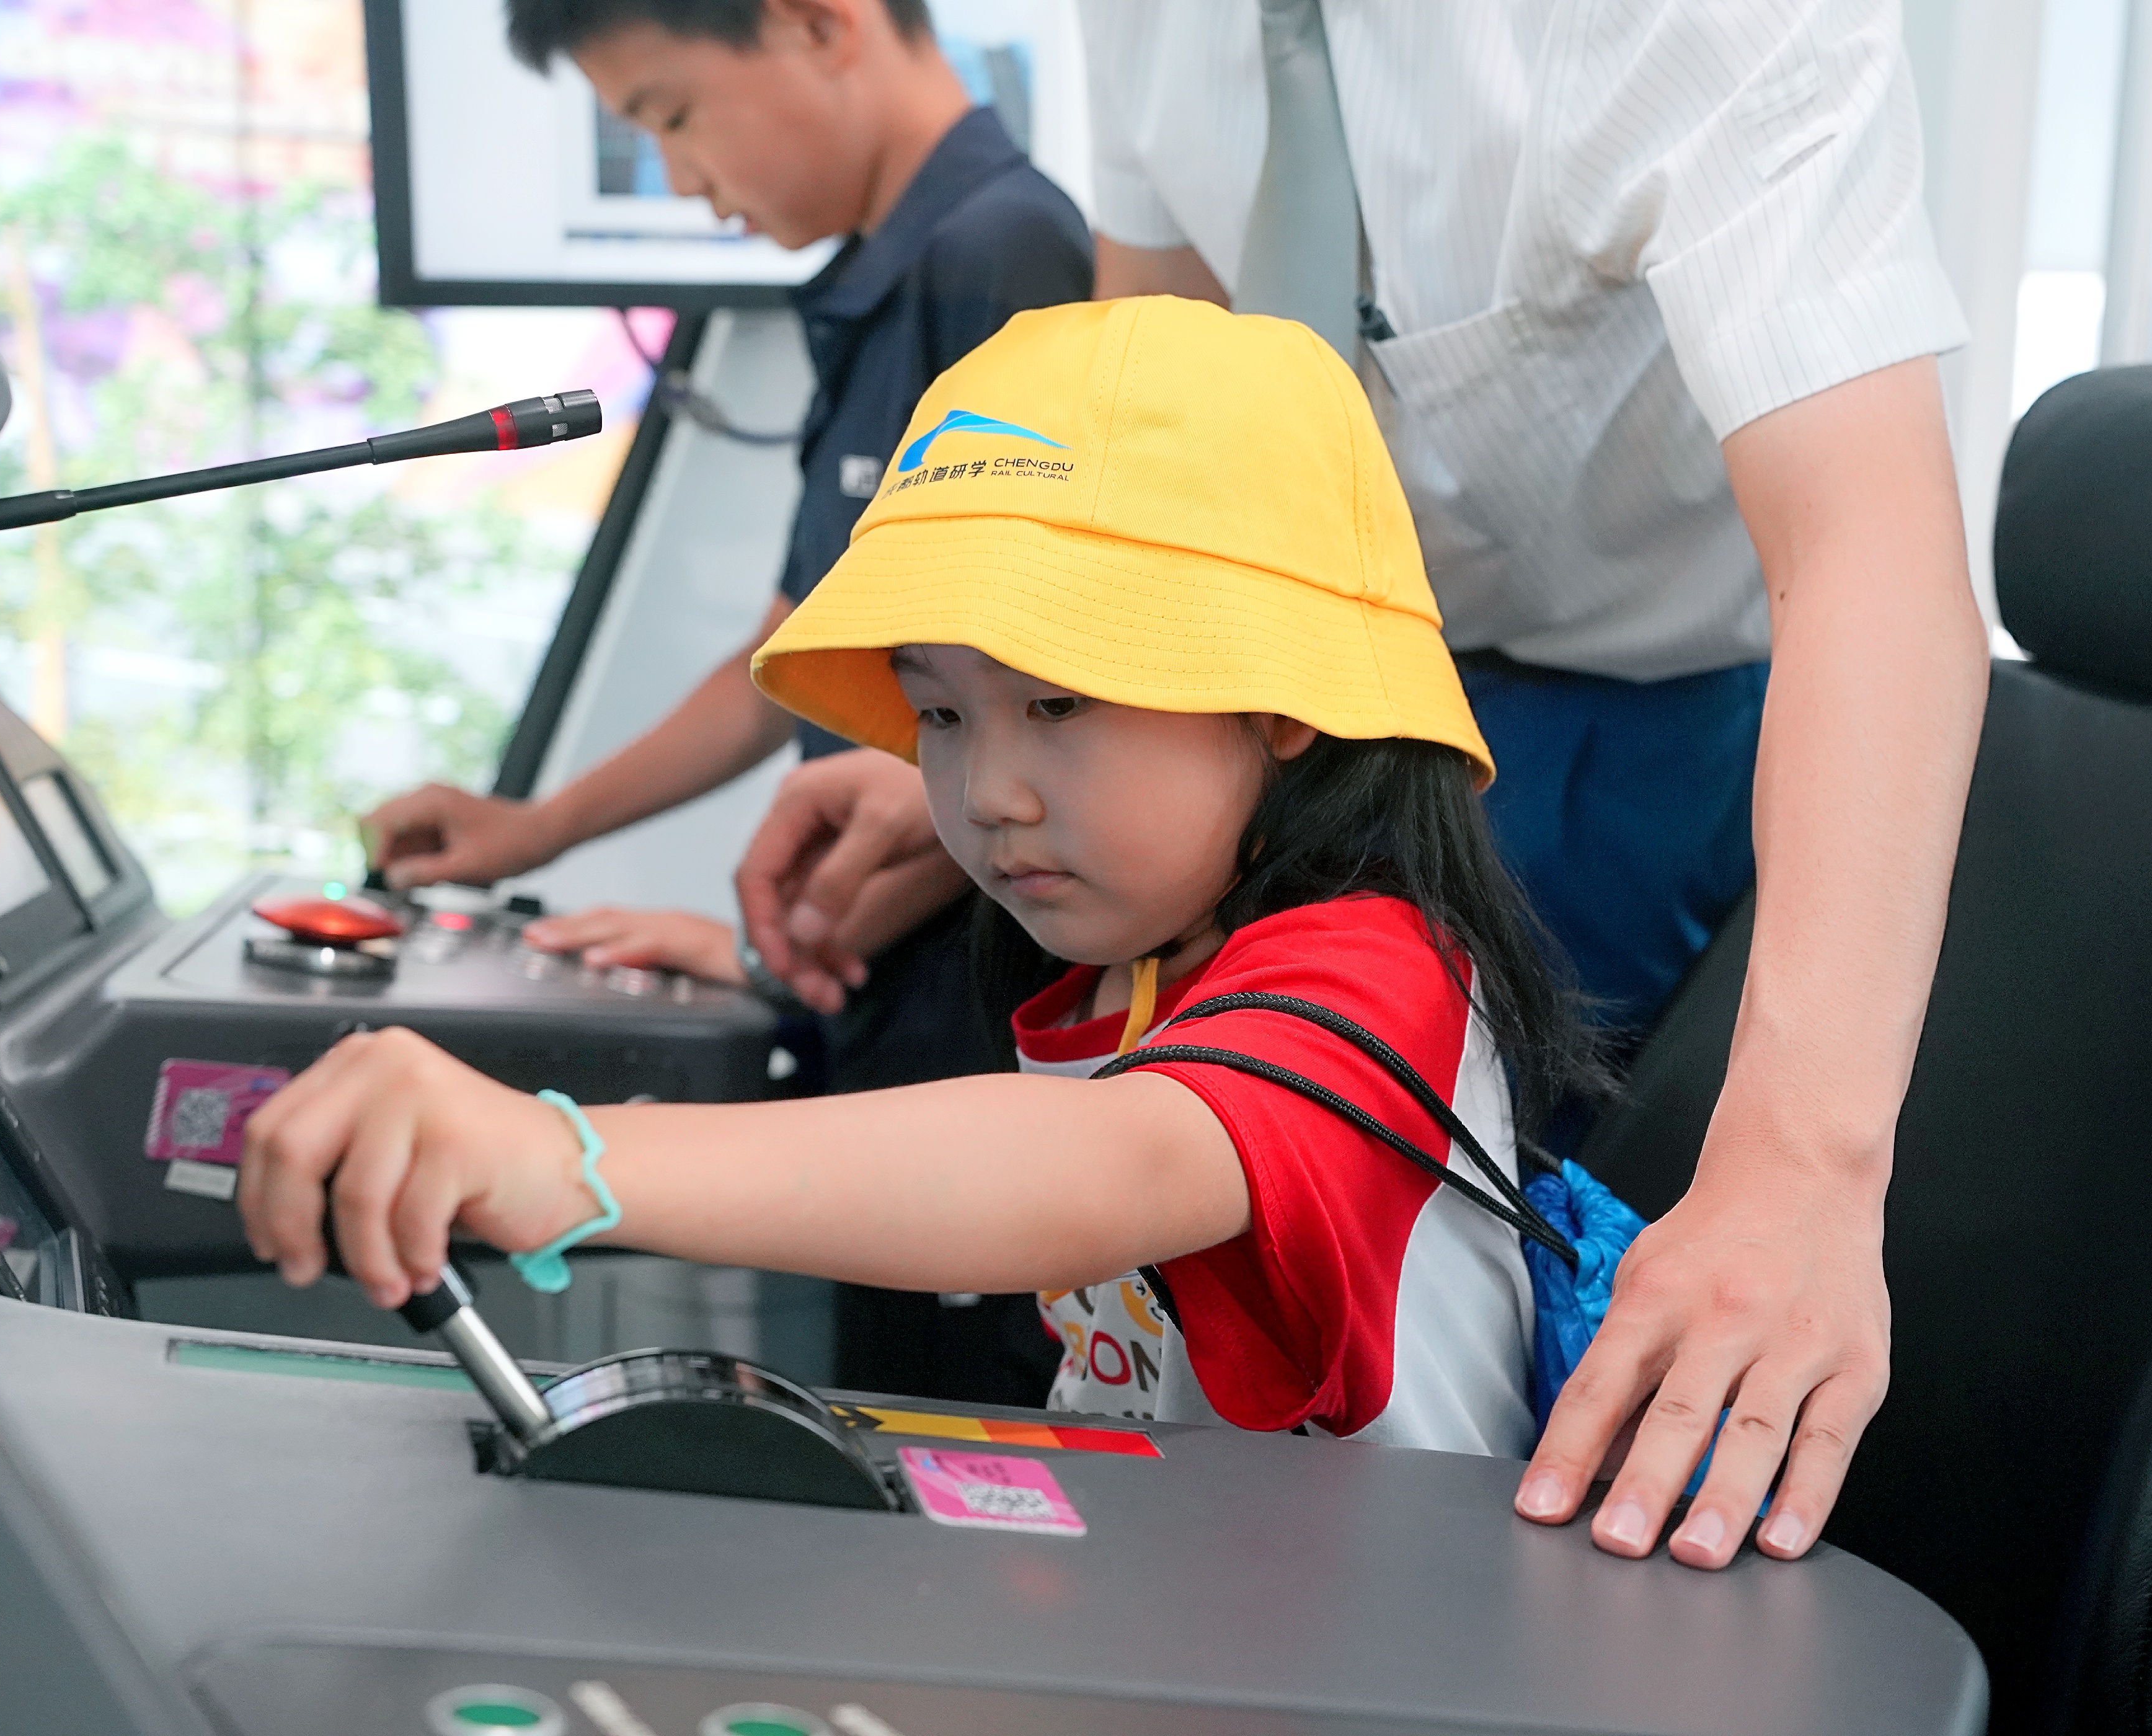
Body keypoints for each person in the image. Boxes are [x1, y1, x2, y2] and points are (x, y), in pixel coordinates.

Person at [733, 1, 1990, 1570]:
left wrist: (1802, 1165)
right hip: (1274, 723)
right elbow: (1145, 451)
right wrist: (1020, 738)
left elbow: (1870, 552)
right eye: (942, 715)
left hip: (1658, 718)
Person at [240, 297, 1608, 1454]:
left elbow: (1107, 1163)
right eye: (941, 713)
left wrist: (568, 1158)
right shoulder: (1132, 965)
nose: (983, 792)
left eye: (1057, 703)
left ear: (1282, 701)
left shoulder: (1376, 977)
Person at [361, 0, 1093, 1404]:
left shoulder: (1002, 256)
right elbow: (794, 645)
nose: (685, 181)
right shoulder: (883, 278)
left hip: (978, 1013)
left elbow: (1041, 699)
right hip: (881, 993)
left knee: (970, 1438)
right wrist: (537, 827)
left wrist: (783, 946)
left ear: (818, 26)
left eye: (674, 117)